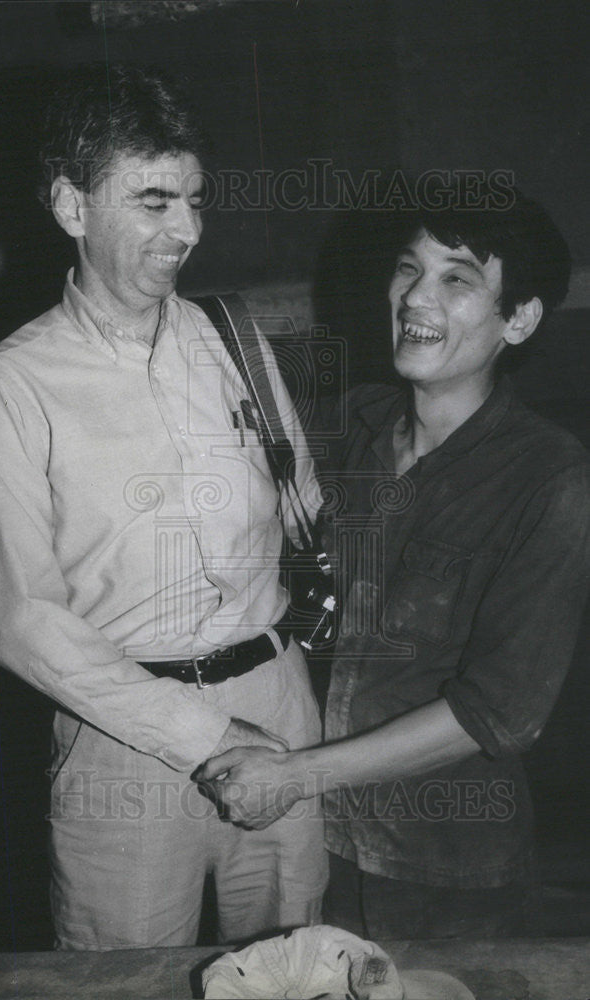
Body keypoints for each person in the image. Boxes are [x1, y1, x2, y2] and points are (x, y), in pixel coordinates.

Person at [0, 64, 327, 949]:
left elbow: (303, 507)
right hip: (119, 741)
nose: (189, 230)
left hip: (278, 713)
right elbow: (20, 621)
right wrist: (200, 731)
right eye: (155, 201)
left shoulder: (235, 340)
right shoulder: (10, 386)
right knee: (122, 978)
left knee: (291, 966)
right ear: (71, 205)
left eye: (196, 199)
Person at [199, 189, 590, 938]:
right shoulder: (349, 428)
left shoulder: (551, 479)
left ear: (521, 318)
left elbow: (497, 714)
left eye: (457, 278)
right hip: (315, 849)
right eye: (409, 267)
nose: (415, 293)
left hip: (447, 871)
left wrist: (294, 776)